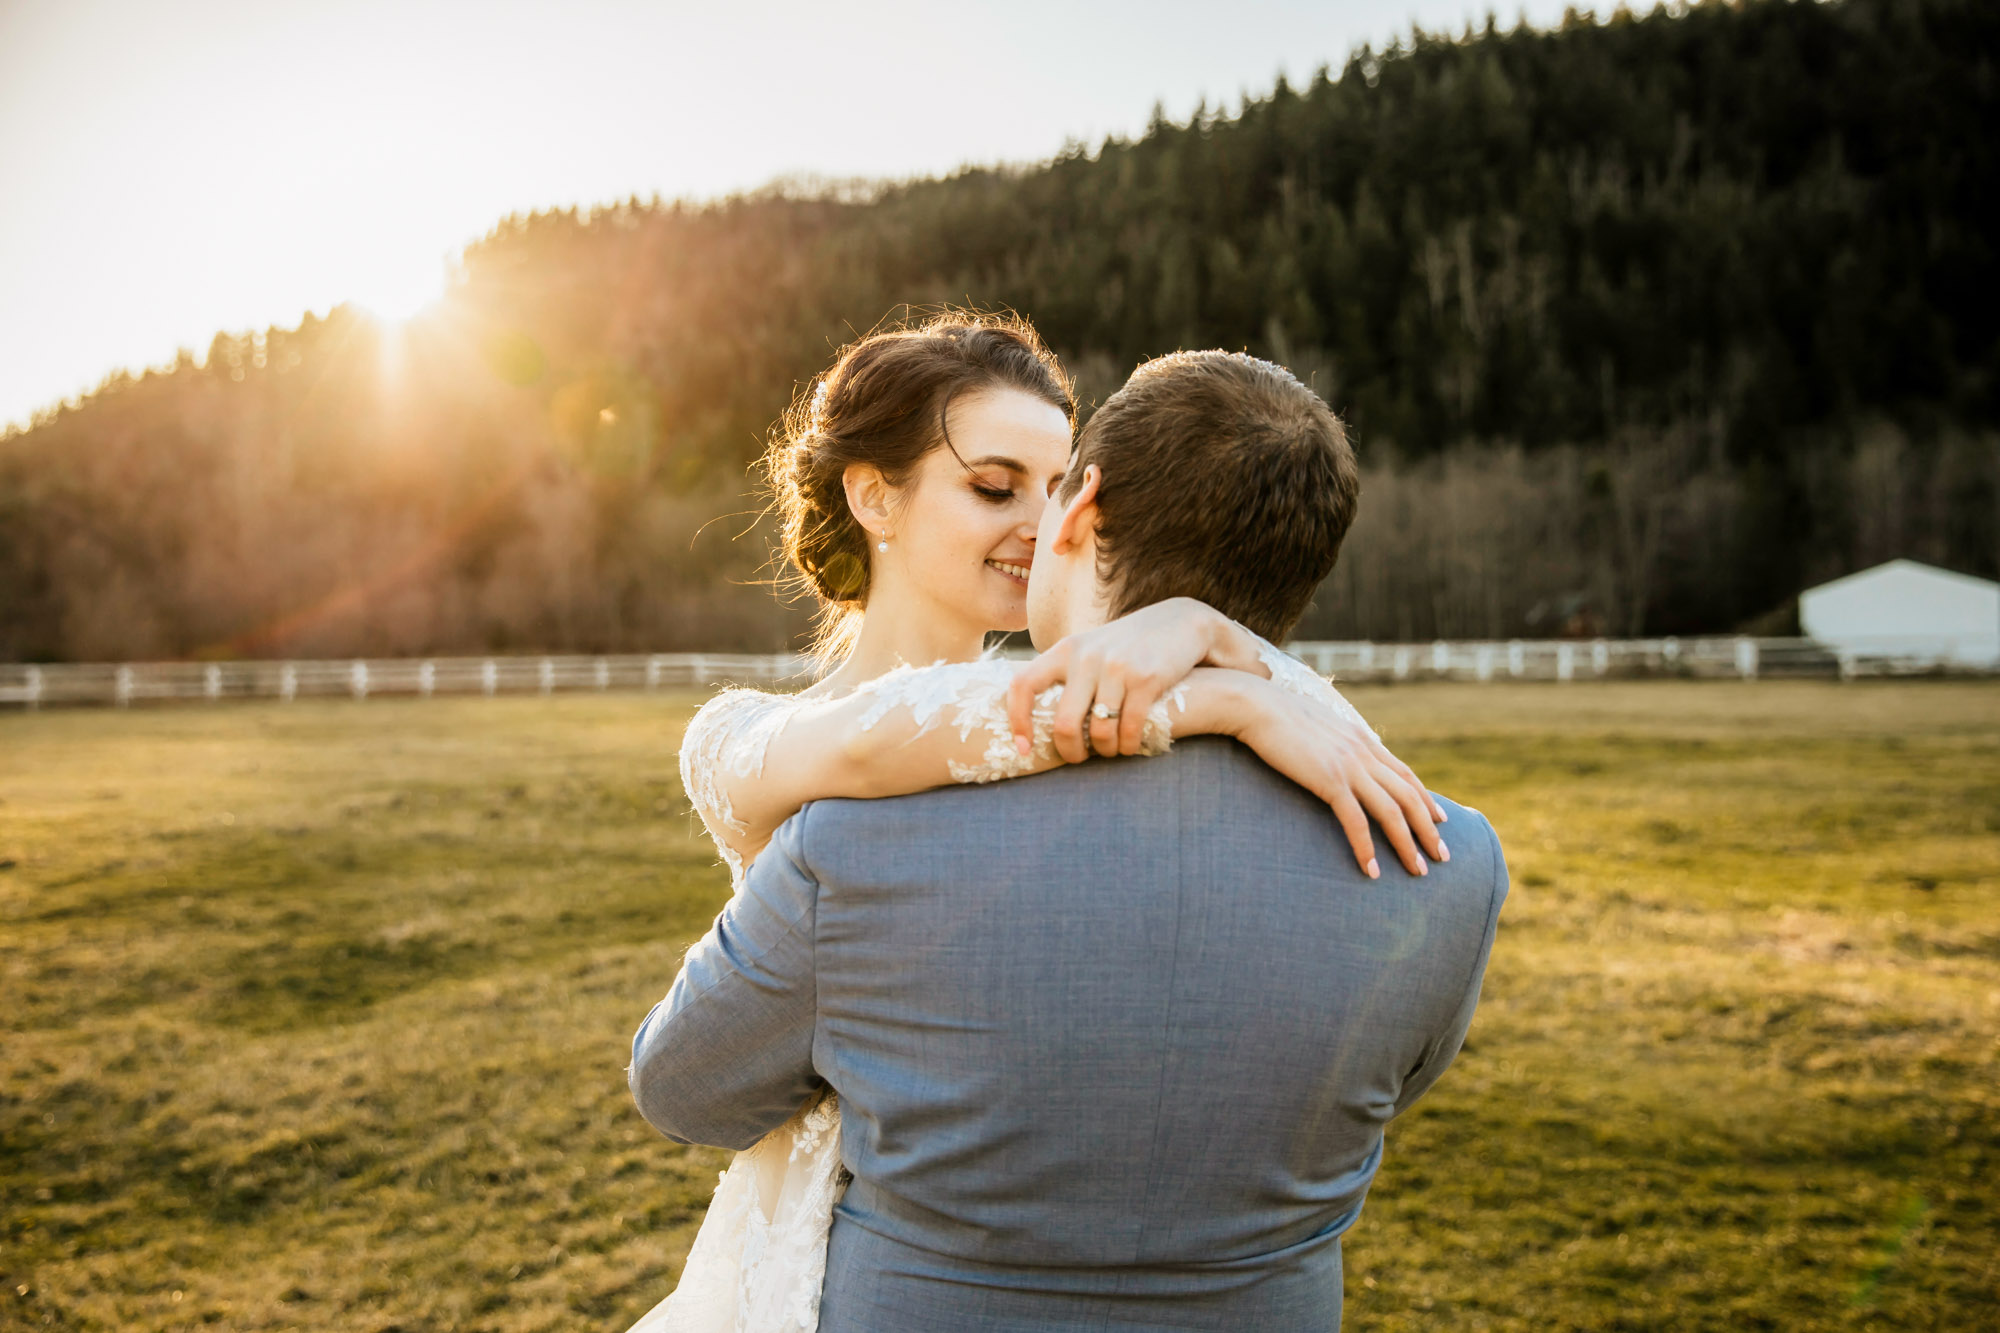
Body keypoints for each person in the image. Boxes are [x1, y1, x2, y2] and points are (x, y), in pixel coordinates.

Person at [629, 318, 1454, 1332]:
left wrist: (1196, 635)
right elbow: (868, 747)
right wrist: (1223, 674)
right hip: (809, 1222)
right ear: (872, 493)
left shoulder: (1055, 699)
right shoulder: (756, 734)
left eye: (1055, 484)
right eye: (992, 485)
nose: (1038, 520)